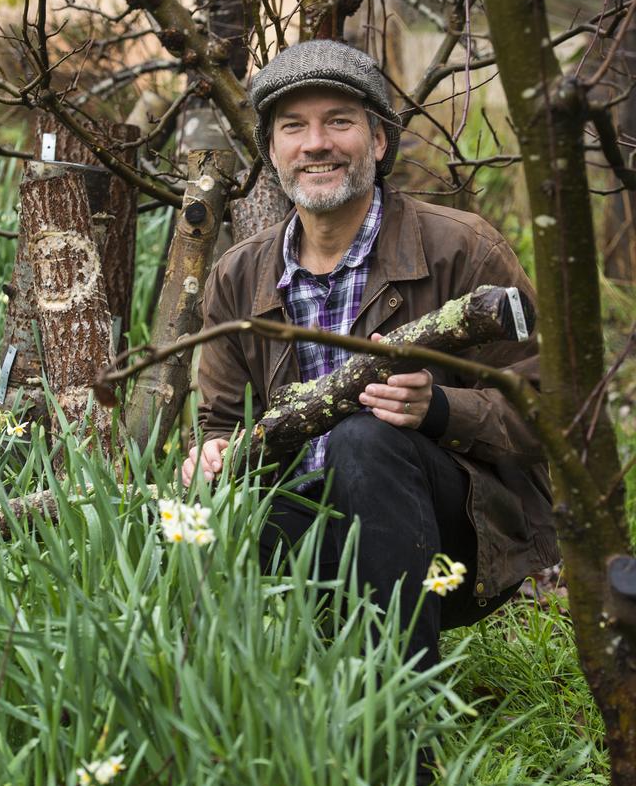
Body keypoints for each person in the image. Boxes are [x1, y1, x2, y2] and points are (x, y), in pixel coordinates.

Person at [182, 39, 558, 685]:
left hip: (454, 535)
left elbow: (553, 412)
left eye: (339, 122)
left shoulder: (462, 250)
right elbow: (219, 420)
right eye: (293, 127)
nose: (316, 143)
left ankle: (403, 717)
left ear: (379, 142)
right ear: (272, 152)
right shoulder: (238, 276)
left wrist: (438, 410)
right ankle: (248, 708)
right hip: (313, 527)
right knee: (198, 515)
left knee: (366, 437)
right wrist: (213, 453)